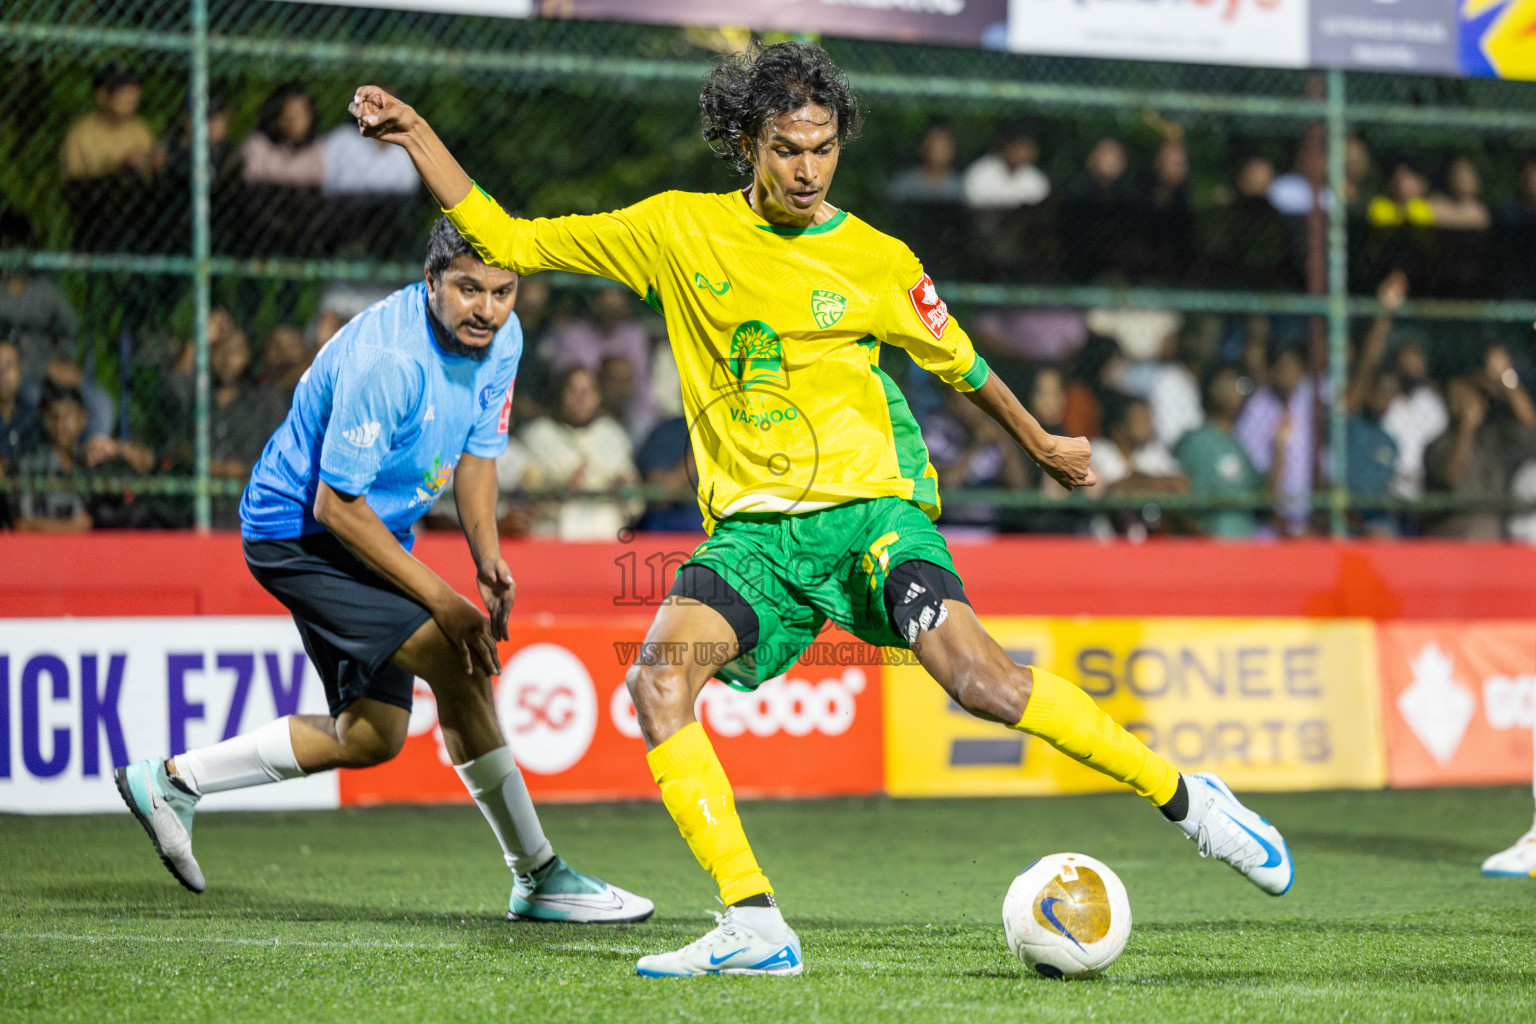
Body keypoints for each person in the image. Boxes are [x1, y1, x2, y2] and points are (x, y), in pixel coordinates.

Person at [352, 41, 1294, 978]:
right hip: (757, 538)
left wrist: (1040, 441)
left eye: (824, 146)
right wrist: (418, 134)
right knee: (656, 683)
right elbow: (510, 240)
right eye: (787, 148)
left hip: (871, 515)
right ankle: (756, 924)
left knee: (987, 687)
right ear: (746, 142)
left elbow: (960, 362)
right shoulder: (678, 231)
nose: (808, 169)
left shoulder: (878, 259)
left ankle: (1193, 802)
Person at [113, 217, 651, 924]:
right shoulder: (388, 360)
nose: (485, 308)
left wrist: (487, 559)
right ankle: (539, 873)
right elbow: (336, 508)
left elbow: (479, 457)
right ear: (430, 282)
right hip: (299, 533)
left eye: (501, 290)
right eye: (466, 288)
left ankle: (173, 782)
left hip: (371, 531)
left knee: (370, 737)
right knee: (458, 661)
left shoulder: (502, 340)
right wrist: (448, 601)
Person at [517, 365, 642, 540]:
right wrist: (562, 490)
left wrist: (624, 488)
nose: (581, 398)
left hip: (605, 533)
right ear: (560, 395)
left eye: (588, 391)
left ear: (598, 396)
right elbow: (522, 498)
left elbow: (635, 504)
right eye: (573, 390)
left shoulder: (614, 435)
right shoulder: (537, 435)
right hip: (553, 533)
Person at [1175, 365, 1275, 539]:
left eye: (1239, 384)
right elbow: (1181, 504)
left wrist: (1280, 451)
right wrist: (1206, 542)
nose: (1235, 390)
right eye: (1227, 383)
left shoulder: (1237, 443)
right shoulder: (1197, 441)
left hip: (1243, 550)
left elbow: (1263, 496)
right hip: (1211, 554)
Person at [59, 63, 160, 182]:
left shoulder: (139, 128)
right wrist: (120, 169)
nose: (130, 97)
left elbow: (152, 172)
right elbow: (74, 185)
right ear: (101, 96)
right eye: (121, 90)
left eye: (134, 89)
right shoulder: (80, 135)